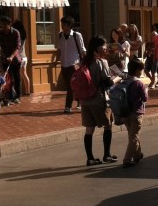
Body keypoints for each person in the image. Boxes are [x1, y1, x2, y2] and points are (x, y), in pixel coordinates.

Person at [78, 36, 118, 166]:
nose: (106, 47)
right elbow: (108, 82)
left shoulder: (84, 61)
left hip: (85, 100)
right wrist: (118, 77)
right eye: (104, 45)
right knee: (108, 125)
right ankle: (107, 154)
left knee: (89, 129)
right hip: (99, 99)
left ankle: (90, 158)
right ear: (97, 48)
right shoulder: (102, 62)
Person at [53, 16, 86, 113]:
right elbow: (59, 49)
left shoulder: (77, 35)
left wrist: (81, 63)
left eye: (64, 24)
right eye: (61, 24)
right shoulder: (60, 36)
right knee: (71, 86)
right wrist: (56, 59)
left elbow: (83, 50)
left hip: (74, 65)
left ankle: (68, 106)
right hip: (64, 65)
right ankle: (80, 101)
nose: (62, 26)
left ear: (69, 25)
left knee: (71, 86)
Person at [122, 57, 149, 168]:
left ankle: (137, 154)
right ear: (137, 70)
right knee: (134, 136)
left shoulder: (124, 82)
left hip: (125, 112)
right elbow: (145, 98)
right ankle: (127, 159)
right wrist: (146, 90)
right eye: (141, 70)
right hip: (136, 113)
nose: (141, 72)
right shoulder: (139, 84)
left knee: (131, 134)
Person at [0, 16, 22, 104]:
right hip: (5, 59)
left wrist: (12, 57)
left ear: (10, 24)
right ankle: (9, 96)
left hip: (15, 59)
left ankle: (17, 96)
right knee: (8, 79)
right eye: (2, 25)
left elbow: (18, 47)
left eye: (5, 25)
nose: (4, 27)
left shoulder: (15, 33)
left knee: (16, 78)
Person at [12, 19, 31, 96]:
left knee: (17, 76)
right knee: (24, 74)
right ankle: (27, 91)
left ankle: (17, 92)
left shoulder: (16, 35)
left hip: (18, 57)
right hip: (24, 57)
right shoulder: (23, 35)